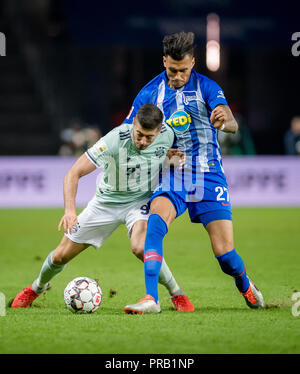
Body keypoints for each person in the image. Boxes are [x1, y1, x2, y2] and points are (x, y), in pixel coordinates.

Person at [124, 32, 264, 314]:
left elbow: (232, 124)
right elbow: (130, 135)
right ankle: (151, 299)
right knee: (154, 227)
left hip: (209, 174)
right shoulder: (150, 93)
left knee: (226, 256)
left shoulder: (207, 87)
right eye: (172, 70)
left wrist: (224, 120)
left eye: (184, 70)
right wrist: (160, 155)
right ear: (164, 61)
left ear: (193, 63)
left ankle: (246, 284)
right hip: (173, 173)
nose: (177, 76)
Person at [11, 104, 194, 312]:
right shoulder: (114, 140)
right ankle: (36, 287)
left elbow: (166, 158)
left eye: (149, 137)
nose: (143, 142)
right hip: (105, 203)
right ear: (133, 123)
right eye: (139, 135)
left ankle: (176, 293)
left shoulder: (168, 135)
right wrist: (70, 211)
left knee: (142, 247)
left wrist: (172, 162)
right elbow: (73, 173)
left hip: (139, 202)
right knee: (60, 256)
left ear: (160, 131)